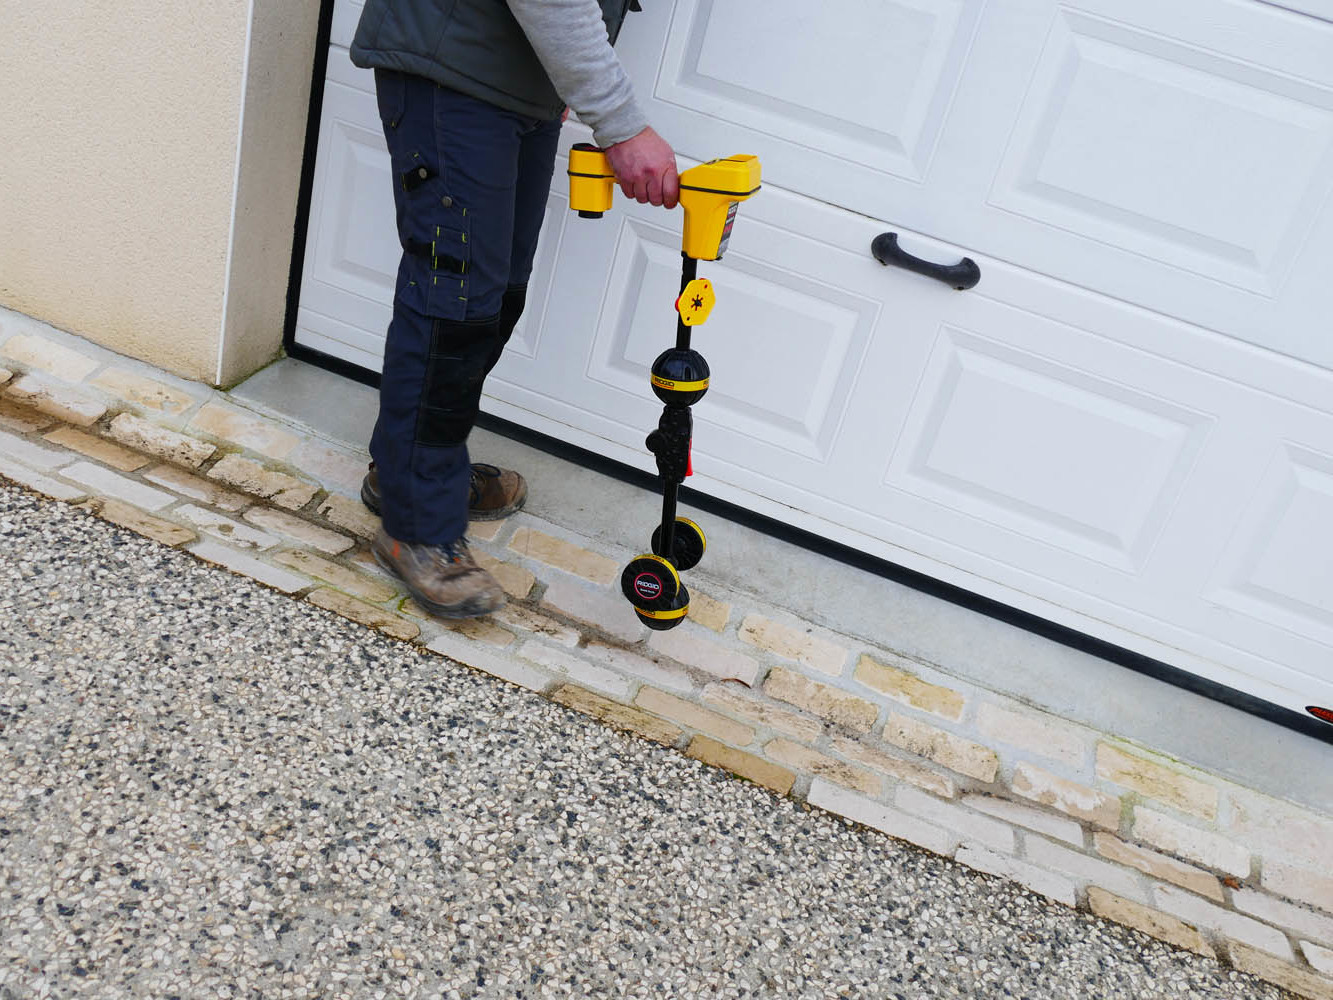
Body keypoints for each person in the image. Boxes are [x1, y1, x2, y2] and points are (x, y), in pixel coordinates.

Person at [349, 0, 680, 620]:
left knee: (494, 301)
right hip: (457, 72)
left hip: (515, 80)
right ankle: (416, 525)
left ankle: (412, 473)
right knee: (455, 308)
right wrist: (621, 123)